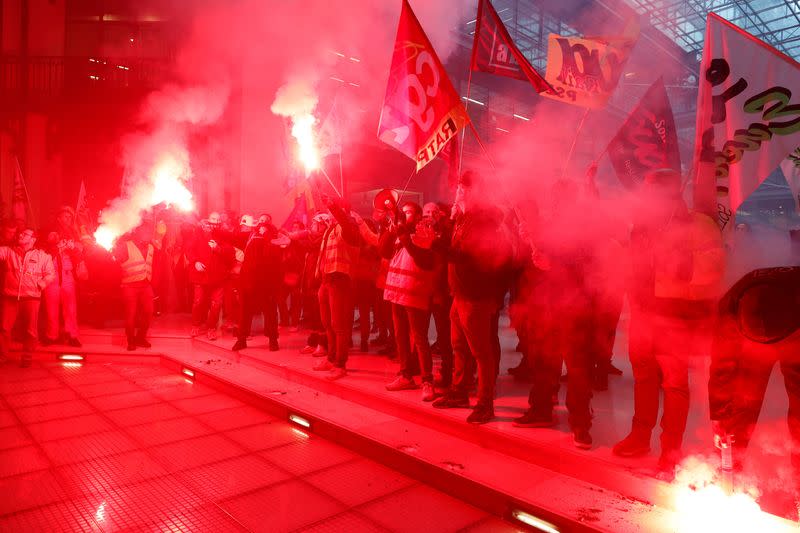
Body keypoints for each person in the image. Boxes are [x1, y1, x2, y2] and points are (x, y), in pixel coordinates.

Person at [612, 168, 724, 479]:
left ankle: (670, 450)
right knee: (643, 376)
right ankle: (639, 436)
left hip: (675, 317)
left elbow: (715, 266)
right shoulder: (642, 227)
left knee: (674, 384)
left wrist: (679, 263)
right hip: (643, 314)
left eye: (650, 190)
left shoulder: (698, 224)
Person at [709, 266, 800, 504]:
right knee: (740, 402)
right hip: (752, 339)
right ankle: (728, 478)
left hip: (794, 335)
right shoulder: (730, 307)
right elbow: (721, 367)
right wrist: (719, 414)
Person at [433, 171, 512, 424]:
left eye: (461, 188)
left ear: (471, 191)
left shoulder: (482, 220)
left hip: (476, 295)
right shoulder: (464, 218)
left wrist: (436, 246)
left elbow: (470, 257)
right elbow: (455, 249)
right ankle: (459, 392)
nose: (456, 191)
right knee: (458, 346)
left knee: (481, 352)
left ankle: (485, 403)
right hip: (460, 293)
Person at [382, 201, 437, 401]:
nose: (405, 216)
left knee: (420, 339)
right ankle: (405, 375)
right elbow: (384, 251)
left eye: (409, 213)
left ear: (418, 215)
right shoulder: (399, 232)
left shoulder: (423, 231)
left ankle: (427, 381)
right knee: (400, 337)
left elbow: (422, 258)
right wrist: (390, 231)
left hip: (414, 293)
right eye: (403, 213)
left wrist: (404, 235)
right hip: (396, 292)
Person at [312, 196, 361, 380]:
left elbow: (342, 219)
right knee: (328, 323)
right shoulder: (331, 229)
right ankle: (331, 357)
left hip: (340, 280)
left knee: (339, 325)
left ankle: (340, 364)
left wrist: (333, 205)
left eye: (333, 210)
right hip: (326, 280)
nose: (329, 213)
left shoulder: (348, 227)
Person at [0, 228, 55, 366]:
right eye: (21, 233)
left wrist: (41, 284)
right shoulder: (9, 251)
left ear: (33, 239)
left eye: (25, 234)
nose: (21, 235)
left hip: (31, 297)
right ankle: (2, 356)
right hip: (10, 297)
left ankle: (27, 356)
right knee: (4, 328)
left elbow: (50, 274)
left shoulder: (43, 256)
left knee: (30, 330)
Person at [232, 220, 283, 351]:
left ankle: (273, 339)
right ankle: (241, 339)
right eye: (259, 222)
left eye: (263, 223)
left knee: (270, 312)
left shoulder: (272, 240)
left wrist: (266, 235)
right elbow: (232, 238)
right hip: (248, 282)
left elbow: (273, 256)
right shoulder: (250, 238)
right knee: (244, 312)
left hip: (266, 284)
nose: (260, 224)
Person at [188, 213, 235, 340]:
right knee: (198, 302)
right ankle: (195, 325)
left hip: (218, 277)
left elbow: (231, 253)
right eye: (213, 219)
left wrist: (217, 248)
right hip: (201, 275)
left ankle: (211, 329)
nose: (216, 222)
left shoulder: (225, 235)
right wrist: (195, 262)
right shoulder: (198, 232)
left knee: (216, 304)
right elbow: (190, 249)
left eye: (218, 219)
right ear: (208, 220)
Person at [113, 223, 157, 351]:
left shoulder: (151, 247)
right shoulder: (125, 246)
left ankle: (140, 338)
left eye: (149, 232)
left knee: (149, 312)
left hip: (145, 285)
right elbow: (116, 261)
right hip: (129, 286)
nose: (148, 234)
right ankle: (131, 340)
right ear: (137, 233)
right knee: (130, 315)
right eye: (145, 231)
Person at [42, 229, 82, 346]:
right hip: (51, 279)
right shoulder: (45, 248)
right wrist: (58, 248)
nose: (54, 238)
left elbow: (80, 256)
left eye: (56, 235)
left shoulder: (69, 246)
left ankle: (72, 335)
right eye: (52, 236)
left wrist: (72, 247)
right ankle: (52, 336)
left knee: (70, 309)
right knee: (51, 310)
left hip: (67, 277)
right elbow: (46, 257)